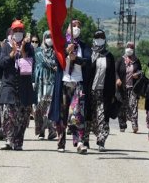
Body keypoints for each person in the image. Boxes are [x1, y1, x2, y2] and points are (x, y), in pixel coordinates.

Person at [49, 19, 92, 154]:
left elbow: (88, 62)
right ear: (68, 29)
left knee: (77, 113)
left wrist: (76, 59)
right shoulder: (62, 44)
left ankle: (79, 142)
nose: (76, 27)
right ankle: (61, 142)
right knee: (62, 114)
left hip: (78, 83)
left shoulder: (84, 47)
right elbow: (56, 60)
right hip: (64, 83)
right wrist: (66, 52)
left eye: (79, 25)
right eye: (73, 25)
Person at [0, 20, 35, 150]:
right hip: (9, 85)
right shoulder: (6, 46)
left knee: (23, 116)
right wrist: (12, 54)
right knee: (8, 114)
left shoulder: (29, 47)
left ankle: (18, 142)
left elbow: (31, 66)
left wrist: (24, 51)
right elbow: (2, 63)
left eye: (20, 31)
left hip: (24, 86)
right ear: (12, 32)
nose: (18, 33)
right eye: (16, 31)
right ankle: (9, 139)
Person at [85, 30, 116, 152]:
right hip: (90, 91)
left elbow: (112, 76)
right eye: (97, 37)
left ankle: (101, 140)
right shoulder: (90, 54)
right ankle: (86, 139)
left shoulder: (109, 56)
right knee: (89, 116)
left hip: (104, 92)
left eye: (102, 37)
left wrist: (113, 94)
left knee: (102, 117)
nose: (99, 39)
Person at [34, 30, 57, 140]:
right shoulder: (38, 51)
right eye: (47, 37)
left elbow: (58, 65)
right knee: (40, 108)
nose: (49, 39)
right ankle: (41, 131)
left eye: (51, 37)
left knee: (50, 107)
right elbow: (38, 65)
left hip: (52, 83)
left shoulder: (56, 52)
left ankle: (52, 130)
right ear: (43, 38)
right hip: (41, 84)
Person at [115, 41, 142, 133]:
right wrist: (117, 79)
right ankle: (122, 124)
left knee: (133, 105)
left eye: (131, 48)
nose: (129, 49)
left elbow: (140, 71)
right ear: (125, 48)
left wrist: (137, 74)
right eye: (128, 47)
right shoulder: (120, 60)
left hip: (133, 88)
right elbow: (115, 71)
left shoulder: (136, 61)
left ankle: (134, 124)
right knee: (121, 106)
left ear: (133, 50)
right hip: (121, 88)